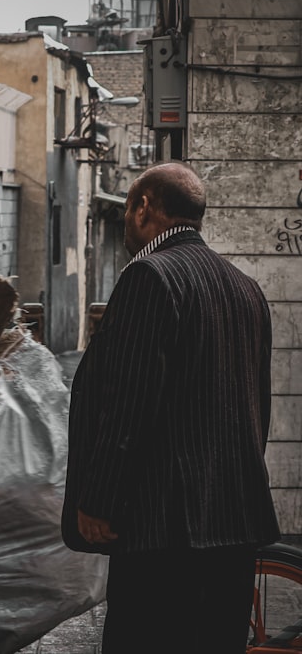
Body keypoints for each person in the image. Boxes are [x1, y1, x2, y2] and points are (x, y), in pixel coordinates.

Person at [61, 162, 281, 653]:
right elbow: (256, 408)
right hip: (235, 521)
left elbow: (129, 404)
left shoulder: (149, 276)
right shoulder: (246, 287)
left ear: (143, 207)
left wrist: (99, 499)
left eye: (126, 213)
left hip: (164, 529)